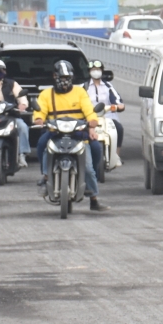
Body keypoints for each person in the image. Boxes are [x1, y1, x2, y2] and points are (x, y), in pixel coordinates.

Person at [32, 61, 106, 212]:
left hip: (78, 134)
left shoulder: (80, 92)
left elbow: (89, 110)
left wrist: (92, 122)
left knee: (94, 154)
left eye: (67, 77)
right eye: (61, 77)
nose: (64, 81)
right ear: (54, 76)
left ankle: (93, 198)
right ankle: (46, 177)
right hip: (55, 133)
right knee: (41, 144)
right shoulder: (46, 94)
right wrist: (39, 119)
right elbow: (40, 112)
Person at [84, 61, 122, 178]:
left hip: (108, 116)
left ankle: (116, 156)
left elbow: (118, 101)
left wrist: (119, 106)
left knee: (119, 129)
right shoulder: (83, 87)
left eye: (98, 69)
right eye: (93, 69)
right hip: (89, 117)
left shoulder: (108, 86)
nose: (96, 71)